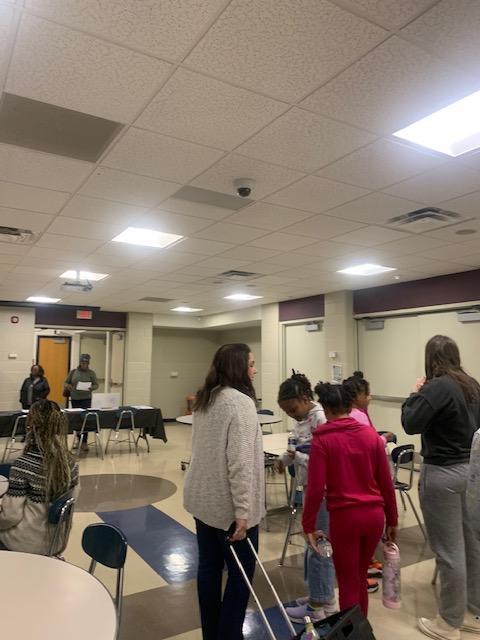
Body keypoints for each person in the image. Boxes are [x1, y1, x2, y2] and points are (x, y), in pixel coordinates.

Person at [183, 343, 264, 640]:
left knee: (209, 568)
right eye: (251, 364)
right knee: (241, 575)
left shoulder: (206, 398)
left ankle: (212, 633)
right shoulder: (240, 403)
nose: (255, 370)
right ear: (238, 367)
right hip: (229, 509)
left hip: (202, 500)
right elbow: (240, 461)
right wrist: (243, 511)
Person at [402, 335, 480, 640]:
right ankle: (474, 612)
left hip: (443, 474)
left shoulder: (437, 386)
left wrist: (414, 394)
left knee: (449, 551)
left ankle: (448, 622)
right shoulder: (472, 385)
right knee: (471, 545)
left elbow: (410, 423)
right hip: (470, 472)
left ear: (430, 358)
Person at [303, 382, 398, 618]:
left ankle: (351, 632)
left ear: (326, 409)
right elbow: (386, 482)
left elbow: (315, 489)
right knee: (359, 577)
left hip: (345, 519)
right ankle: (360, 627)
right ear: (349, 405)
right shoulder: (371, 436)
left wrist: (308, 525)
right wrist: (393, 520)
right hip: (374, 517)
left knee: (347, 582)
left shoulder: (322, 440)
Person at [276, 371, 337, 623]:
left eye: (293, 409)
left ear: (304, 398)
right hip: (311, 489)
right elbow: (296, 448)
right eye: (287, 412)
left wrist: (297, 456)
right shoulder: (303, 418)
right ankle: (322, 598)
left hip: (323, 490)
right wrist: (284, 459)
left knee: (319, 547)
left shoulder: (320, 418)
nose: (292, 415)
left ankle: (317, 607)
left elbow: (325, 460)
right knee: (314, 544)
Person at [0, 399, 79, 554]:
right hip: (56, 541)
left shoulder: (23, 464)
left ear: (30, 426)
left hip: (25, 543)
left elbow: (11, 517)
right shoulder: (71, 463)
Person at [64, 354, 98, 452]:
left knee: (84, 419)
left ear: (88, 363)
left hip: (86, 398)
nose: (84, 364)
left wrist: (92, 388)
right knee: (77, 420)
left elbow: (96, 385)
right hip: (75, 398)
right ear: (80, 363)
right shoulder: (73, 372)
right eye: (83, 362)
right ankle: (78, 440)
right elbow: (65, 382)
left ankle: (84, 442)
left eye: (86, 362)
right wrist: (68, 386)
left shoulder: (91, 373)